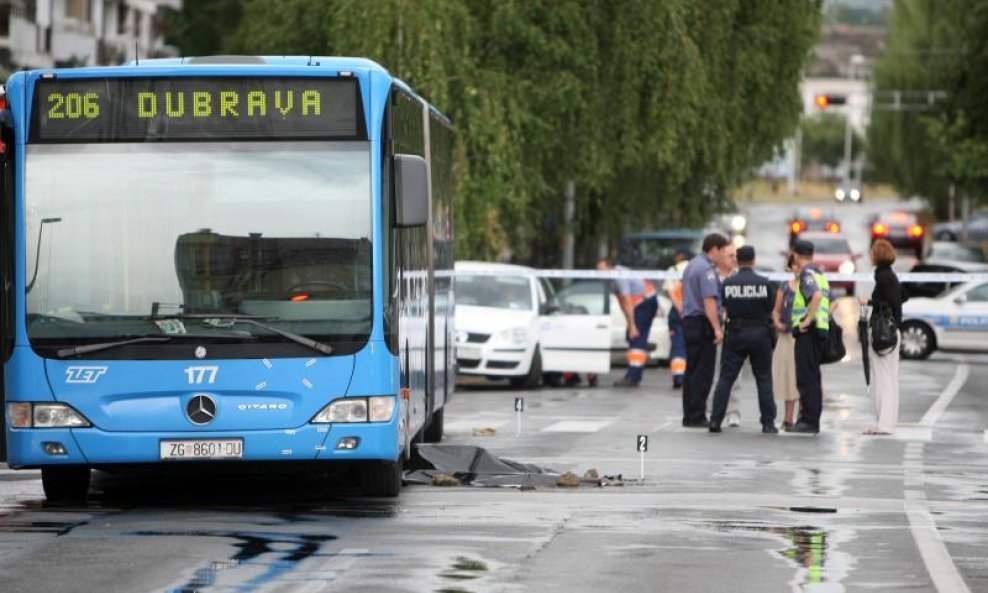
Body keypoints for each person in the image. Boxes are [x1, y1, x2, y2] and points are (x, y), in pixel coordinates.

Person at [709, 245, 778, 433]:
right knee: (763, 379)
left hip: (736, 334)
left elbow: (724, 305)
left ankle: (715, 420)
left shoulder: (729, 283)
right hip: (760, 333)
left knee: (726, 378)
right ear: (753, 261)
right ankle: (768, 423)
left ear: (737, 261)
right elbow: (769, 307)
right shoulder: (764, 283)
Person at [680, 233, 730, 427]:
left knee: (692, 371)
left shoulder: (692, 265)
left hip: (690, 322)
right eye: (723, 252)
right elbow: (709, 302)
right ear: (714, 249)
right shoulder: (706, 270)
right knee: (703, 372)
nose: (723, 256)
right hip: (702, 324)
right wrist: (717, 329)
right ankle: (697, 415)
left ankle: (690, 415)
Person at [861, 239, 905, 435]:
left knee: (883, 380)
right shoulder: (891, 275)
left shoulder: (882, 276)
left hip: (883, 335)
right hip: (894, 332)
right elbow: (903, 296)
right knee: (891, 379)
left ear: (877, 255)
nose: (870, 255)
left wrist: (868, 301)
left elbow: (892, 301)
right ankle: (888, 422)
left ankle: (884, 425)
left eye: (872, 252)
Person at [598, 257, 659, 387]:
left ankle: (632, 377)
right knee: (633, 337)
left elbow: (627, 301)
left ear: (611, 267)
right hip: (640, 305)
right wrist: (629, 323)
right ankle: (633, 375)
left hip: (645, 303)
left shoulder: (620, 276)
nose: (599, 273)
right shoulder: (611, 279)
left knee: (636, 337)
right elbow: (621, 301)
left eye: (602, 269)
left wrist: (632, 326)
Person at [789, 239, 830, 434]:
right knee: (814, 378)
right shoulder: (820, 274)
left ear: (796, 255)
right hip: (819, 331)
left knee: (806, 379)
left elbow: (816, 297)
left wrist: (807, 319)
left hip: (808, 332)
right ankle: (813, 420)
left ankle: (808, 421)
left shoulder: (806, 274)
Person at [710, 243, 744, 427]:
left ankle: (733, 412)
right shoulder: (711, 276)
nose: (734, 259)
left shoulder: (738, 278)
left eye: (735, 256)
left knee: (734, 374)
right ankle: (713, 410)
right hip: (715, 330)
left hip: (734, 331)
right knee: (714, 372)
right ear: (721, 255)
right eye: (730, 255)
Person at [771, 253, 800, 430]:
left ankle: (804, 417)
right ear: (789, 268)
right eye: (794, 265)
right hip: (786, 337)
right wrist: (777, 322)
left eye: (800, 264)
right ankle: (788, 418)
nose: (798, 268)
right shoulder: (784, 287)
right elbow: (776, 310)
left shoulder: (811, 286)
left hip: (803, 337)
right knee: (787, 376)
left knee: (802, 377)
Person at [663, 247, 691, 388]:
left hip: (678, 312)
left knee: (678, 345)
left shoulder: (673, 270)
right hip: (693, 313)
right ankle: (689, 376)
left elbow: (670, 292)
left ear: (680, 256)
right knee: (691, 345)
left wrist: (679, 308)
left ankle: (678, 377)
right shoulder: (695, 269)